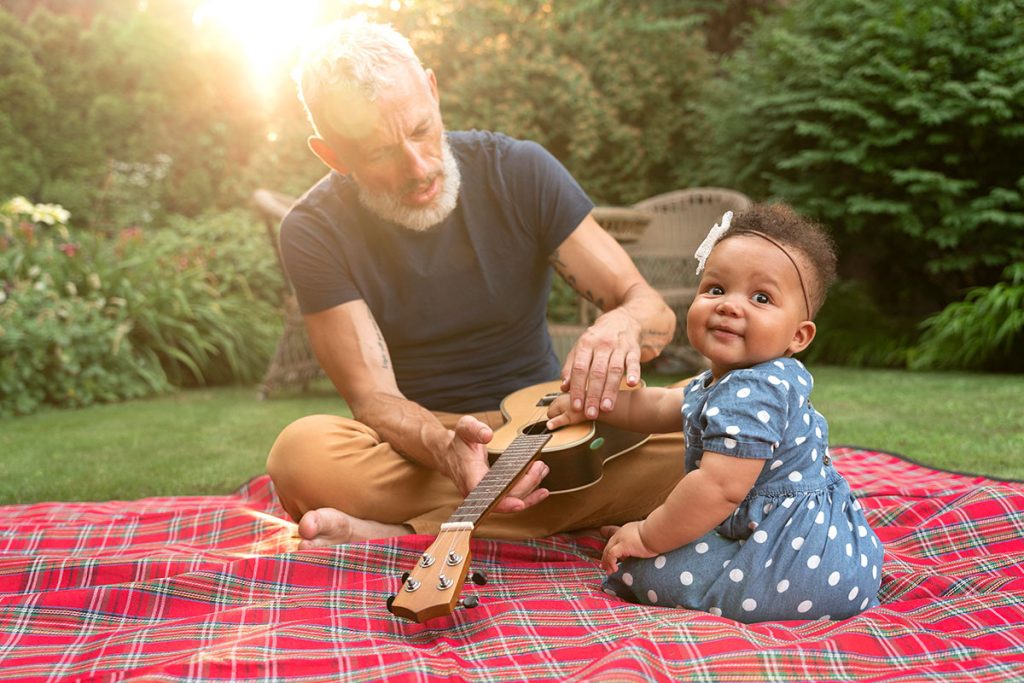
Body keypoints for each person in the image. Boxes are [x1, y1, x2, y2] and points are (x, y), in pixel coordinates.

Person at [266, 17, 685, 548]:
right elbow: (373, 399)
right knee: (301, 455)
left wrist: (623, 323)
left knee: (720, 433)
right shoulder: (313, 228)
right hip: (427, 447)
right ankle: (532, 512)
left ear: (433, 92)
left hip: (554, 427)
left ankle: (402, 533)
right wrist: (447, 452)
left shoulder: (521, 170)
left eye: (421, 130)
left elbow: (650, 307)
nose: (419, 168)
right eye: (378, 153)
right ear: (332, 155)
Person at [546, 203, 884, 622]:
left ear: (799, 334)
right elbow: (660, 404)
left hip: (793, 563)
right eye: (716, 289)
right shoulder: (733, 380)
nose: (729, 306)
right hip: (823, 548)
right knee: (676, 529)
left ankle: (719, 579)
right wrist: (593, 403)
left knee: (640, 571)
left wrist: (648, 536)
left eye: (761, 298)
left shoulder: (753, 392)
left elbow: (719, 488)